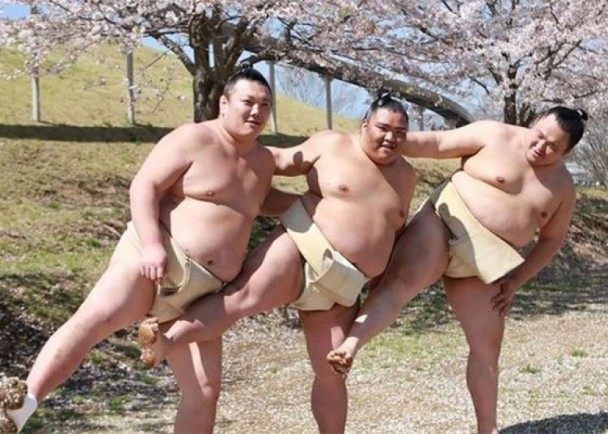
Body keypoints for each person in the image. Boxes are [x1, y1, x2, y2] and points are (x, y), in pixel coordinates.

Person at [0, 64, 277, 434]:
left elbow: (261, 201)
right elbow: (145, 185)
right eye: (248, 102)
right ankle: (22, 405)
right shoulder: (193, 138)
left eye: (264, 105)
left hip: (203, 296)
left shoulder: (264, 162)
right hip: (156, 258)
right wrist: (151, 246)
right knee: (91, 322)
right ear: (224, 103)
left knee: (204, 392)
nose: (256, 111)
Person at [136, 91, 418, 433]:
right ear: (365, 124)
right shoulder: (331, 144)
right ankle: (167, 340)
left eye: (400, 132)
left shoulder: (407, 176)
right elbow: (273, 160)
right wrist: (221, 154)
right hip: (302, 245)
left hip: (344, 285)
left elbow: (393, 228)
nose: (390, 138)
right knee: (240, 298)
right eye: (383, 128)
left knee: (332, 373)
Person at [326, 106, 588, 434]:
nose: (540, 146)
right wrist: (390, 141)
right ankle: (350, 346)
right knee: (401, 282)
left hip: (486, 259)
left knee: (488, 343)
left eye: (553, 146)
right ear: (534, 123)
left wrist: (516, 280)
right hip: (444, 221)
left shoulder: (563, 188)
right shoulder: (494, 134)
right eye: (539, 135)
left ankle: (487, 429)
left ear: (567, 152)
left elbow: (551, 241)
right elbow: (437, 143)